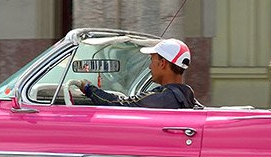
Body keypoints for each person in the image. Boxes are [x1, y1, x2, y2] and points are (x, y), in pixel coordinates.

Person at [70, 38, 201, 109]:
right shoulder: (187, 98)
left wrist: (87, 88)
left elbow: (118, 103)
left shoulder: (161, 98)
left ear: (162, 63)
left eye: (152, 60)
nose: (150, 66)